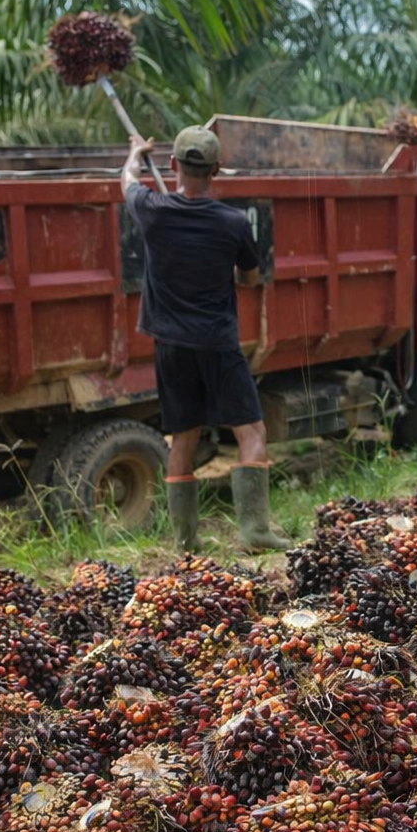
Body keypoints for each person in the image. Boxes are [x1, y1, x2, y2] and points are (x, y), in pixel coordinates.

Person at [122, 126, 291, 553]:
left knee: (183, 436)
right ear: (216, 170)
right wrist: (231, 272)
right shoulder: (232, 223)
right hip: (217, 343)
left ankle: (186, 541)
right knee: (251, 431)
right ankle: (254, 531)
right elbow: (250, 279)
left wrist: (137, 154)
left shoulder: (153, 210)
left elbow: (125, 183)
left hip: (170, 346)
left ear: (174, 165)